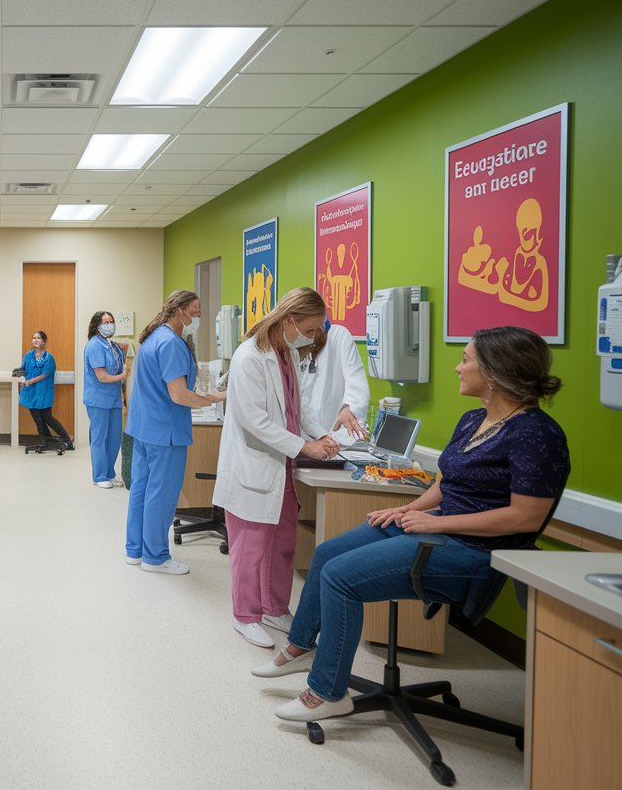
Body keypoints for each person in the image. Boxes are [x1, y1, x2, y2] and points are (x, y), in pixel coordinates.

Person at [254, 326, 569, 723]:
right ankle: (301, 648)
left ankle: (328, 692)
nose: (457, 368)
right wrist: (409, 510)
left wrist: (437, 524)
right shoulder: (475, 420)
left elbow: (526, 516)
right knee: (327, 552)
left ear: (495, 373)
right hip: (437, 525)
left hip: (476, 550)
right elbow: (445, 481)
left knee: (340, 577)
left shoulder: (536, 435)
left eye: (466, 359)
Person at [214, 287, 340, 648]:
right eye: (312, 329)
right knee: (250, 547)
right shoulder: (249, 357)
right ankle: (246, 615)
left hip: (281, 466)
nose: (315, 336)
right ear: (289, 320)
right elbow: (253, 419)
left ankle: (274, 607)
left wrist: (321, 435)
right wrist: (305, 446)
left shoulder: (287, 354)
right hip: (254, 465)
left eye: (318, 331)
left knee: (283, 543)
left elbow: (297, 408)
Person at [125, 290, 226, 575]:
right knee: (162, 494)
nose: (198, 316)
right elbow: (180, 395)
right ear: (179, 310)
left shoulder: (153, 338)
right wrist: (218, 397)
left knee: (142, 491)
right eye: (195, 310)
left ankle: (136, 550)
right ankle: (155, 557)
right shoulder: (170, 343)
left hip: (145, 428)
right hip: (164, 433)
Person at [298, 320, 371, 445]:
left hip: (335, 438)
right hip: (297, 441)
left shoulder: (338, 336)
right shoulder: (289, 343)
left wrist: (349, 407)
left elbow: (357, 382)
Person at [84, 311, 126, 488]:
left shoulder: (111, 346)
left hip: (114, 399)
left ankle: (109, 473)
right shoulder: (94, 345)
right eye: (105, 322)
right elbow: (102, 377)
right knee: (100, 438)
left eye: (111, 321)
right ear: (96, 326)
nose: (110, 325)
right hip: (98, 399)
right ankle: (100, 475)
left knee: (115, 438)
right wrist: (124, 375)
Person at [20, 330, 72, 450]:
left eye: (38, 338)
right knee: (37, 419)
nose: (36, 340)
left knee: (48, 418)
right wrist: (18, 374)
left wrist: (29, 381)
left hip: (43, 392)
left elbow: (43, 375)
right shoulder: (28, 355)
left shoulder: (49, 358)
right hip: (30, 392)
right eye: (34, 338)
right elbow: (23, 369)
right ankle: (46, 440)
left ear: (44, 341)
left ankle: (66, 439)